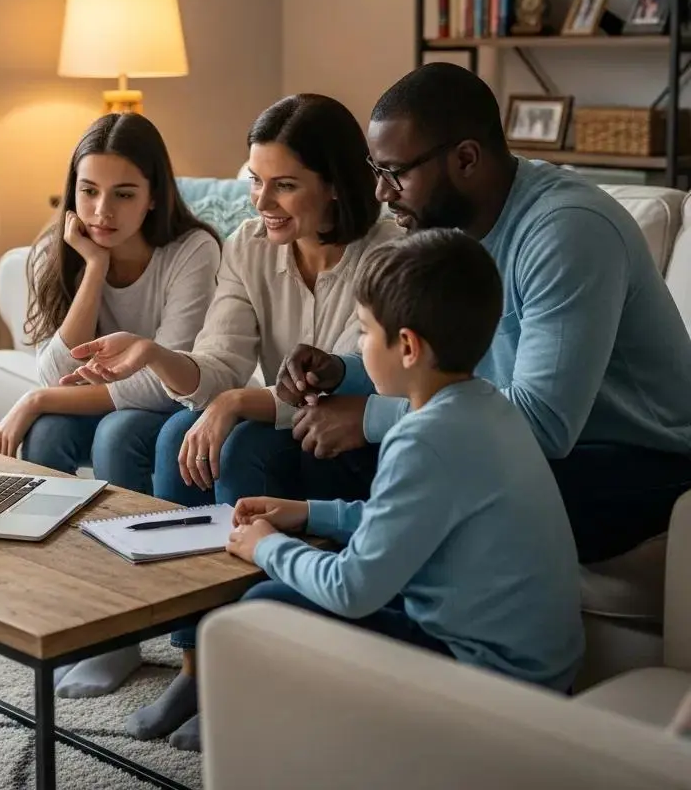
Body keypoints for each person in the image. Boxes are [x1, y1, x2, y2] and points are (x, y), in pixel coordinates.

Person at [167, 229, 585, 753]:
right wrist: (308, 513)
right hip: (546, 674)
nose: (359, 349)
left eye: (363, 332)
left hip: (489, 683)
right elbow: (407, 521)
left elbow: (352, 589)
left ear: (406, 346)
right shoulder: (488, 408)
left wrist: (266, 546)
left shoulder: (420, 437)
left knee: (264, 605)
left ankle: (272, 755)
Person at [64, 92, 398, 739]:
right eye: (255, 181)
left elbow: (349, 389)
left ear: (334, 186)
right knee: (175, 439)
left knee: (239, 446)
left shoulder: (386, 252)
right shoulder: (251, 245)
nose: (261, 201)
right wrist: (156, 354)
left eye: (284, 186)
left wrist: (235, 402)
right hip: (292, 427)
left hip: (358, 441)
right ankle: (196, 663)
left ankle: (244, 666)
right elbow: (217, 364)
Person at [277, 61, 691, 567]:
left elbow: (543, 426)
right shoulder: (444, 225)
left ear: (466, 159)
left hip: (638, 462)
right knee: (329, 450)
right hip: (542, 444)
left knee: (453, 474)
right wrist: (344, 373)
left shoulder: (566, 230)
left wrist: (370, 418)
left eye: (395, 172)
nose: (382, 193)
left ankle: (399, 623)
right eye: (375, 171)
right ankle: (353, 615)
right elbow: (434, 363)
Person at [0, 111, 221, 698]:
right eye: (88, 192)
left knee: (116, 435)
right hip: (116, 402)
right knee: (45, 441)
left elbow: (169, 378)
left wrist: (39, 398)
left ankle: (124, 633)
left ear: (153, 197)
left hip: (180, 401)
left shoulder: (192, 251)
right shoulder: (65, 246)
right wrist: (92, 269)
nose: (101, 212)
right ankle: (71, 618)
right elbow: (55, 369)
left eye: (123, 195)